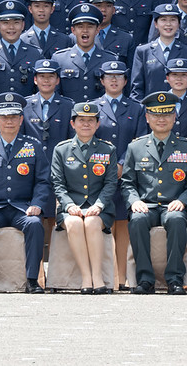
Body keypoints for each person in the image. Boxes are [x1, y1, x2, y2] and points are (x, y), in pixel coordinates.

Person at [0, 93, 50, 294]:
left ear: (21, 119)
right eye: (4, 117)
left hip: (22, 208)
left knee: (34, 224)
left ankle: (32, 279)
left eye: (14, 116)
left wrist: (37, 204)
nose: (9, 121)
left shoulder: (32, 146)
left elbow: (43, 181)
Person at [122, 91, 187, 294]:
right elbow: (126, 182)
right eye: (156, 115)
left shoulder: (185, 147)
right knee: (138, 219)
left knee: (176, 219)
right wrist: (134, 201)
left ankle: (175, 279)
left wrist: (183, 200)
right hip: (147, 205)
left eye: (166, 114)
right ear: (148, 117)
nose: (161, 119)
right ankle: (145, 280)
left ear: (174, 117)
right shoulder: (136, 147)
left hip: (173, 205)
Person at [52, 102, 117, 294]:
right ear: (73, 124)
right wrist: (69, 205)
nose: (86, 124)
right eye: (81, 120)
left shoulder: (108, 150)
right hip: (69, 207)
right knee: (74, 223)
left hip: (100, 208)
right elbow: (58, 184)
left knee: (91, 223)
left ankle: (97, 276)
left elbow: (111, 183)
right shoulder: (61, 150)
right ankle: (85, 276)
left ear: (98, 124)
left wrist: (99, 205)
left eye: (91, 121)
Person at [92, 60, 146, 290]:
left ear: (126, 81)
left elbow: (140, 140)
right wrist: (107, 167)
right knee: (102, 225)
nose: (114, 80)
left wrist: (122, 164)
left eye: (119, 76)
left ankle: (122, 278)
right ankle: (106, 278)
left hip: (127, 175)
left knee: (123, 224)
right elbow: (88, 140)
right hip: (98, 175)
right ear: (102, 80)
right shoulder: (91, 107)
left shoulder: (137, 108)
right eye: (109, 76)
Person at [51, 3, 118, 103]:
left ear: (98, 30)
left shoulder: (109, 59)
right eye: (80, 27)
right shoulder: (60, 59)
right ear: (73, 30)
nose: (85, 31)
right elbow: (55, 96)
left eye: (90, 27)